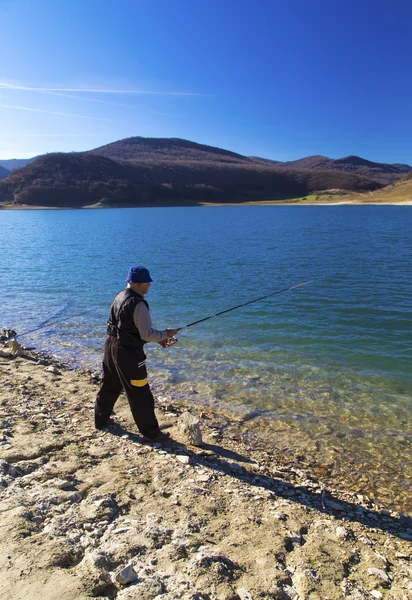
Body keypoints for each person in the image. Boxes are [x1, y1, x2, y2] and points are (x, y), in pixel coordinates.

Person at [94, 266, 178, 439]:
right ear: (139, 284)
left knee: (109, 384)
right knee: (140, 392)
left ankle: (101, 420)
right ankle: (152, 433)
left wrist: (159, 340)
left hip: (110, 346)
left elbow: (127, 329)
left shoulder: (119, 296)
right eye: (148, 282)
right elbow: (146, 333)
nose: (149, 286)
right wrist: (166, 333)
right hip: (128, 354)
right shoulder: (138, 303)